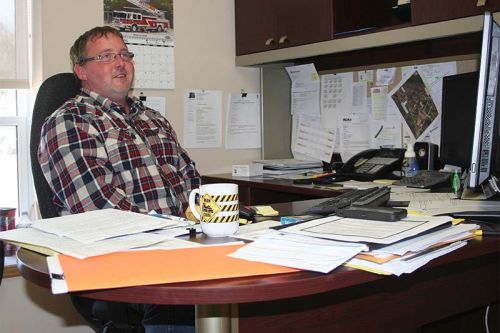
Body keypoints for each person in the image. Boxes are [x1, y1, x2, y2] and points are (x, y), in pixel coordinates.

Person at [38, 26, 199, 332]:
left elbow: (192, 181)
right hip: (133, 265)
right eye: (107, 56)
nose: (120, 62)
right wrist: (176, 239)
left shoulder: (153, 119)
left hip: (187, 251)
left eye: (125, 54)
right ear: (81, 71)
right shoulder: (70, 120)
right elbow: (101, 211)